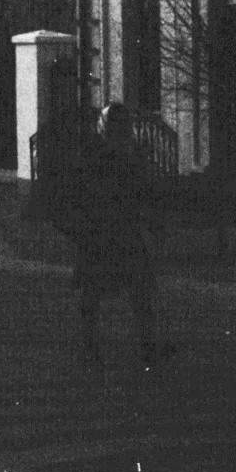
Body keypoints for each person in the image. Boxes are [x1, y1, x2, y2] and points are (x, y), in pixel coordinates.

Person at [72, 103, 159, 367]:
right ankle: (92, 345)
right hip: (106, 232)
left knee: (133, 291)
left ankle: (143, 345)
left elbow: (141, 193)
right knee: (100, 292)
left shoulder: (122, 156)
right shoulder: (105, 156)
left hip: (112, 232)